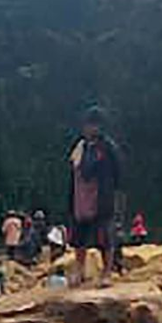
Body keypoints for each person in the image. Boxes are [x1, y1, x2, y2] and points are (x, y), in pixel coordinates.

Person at [68, 106, 122, 286]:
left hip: (101, 197)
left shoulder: (108, 148)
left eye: (94, 125)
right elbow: (74, 171)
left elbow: (118, 173)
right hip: (80, 198)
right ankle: (79, 270)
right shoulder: (80, 147)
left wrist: (114, 194)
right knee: (79, 238)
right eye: (88, 125)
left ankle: (107, 273)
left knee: (105, 238)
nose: (90, 129)